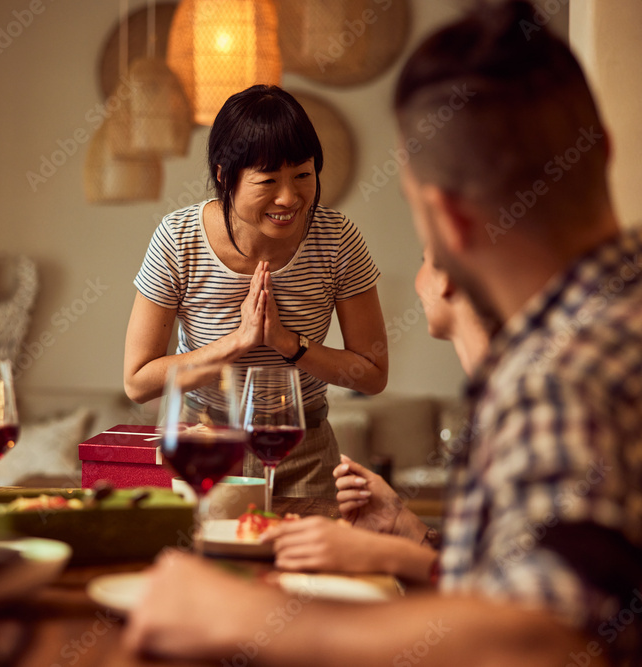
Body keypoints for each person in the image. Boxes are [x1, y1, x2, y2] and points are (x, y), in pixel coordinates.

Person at [124, 2, 642, 664]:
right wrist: (416, 539)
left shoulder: (555, 377)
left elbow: (543, 633)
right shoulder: (611, 322)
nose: (290, 199)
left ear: (448, 221)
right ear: (603, 148)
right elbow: (544, 582)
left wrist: (259, 620)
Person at [124, 84, 388, 497]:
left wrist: (288, 343)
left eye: (303, 175)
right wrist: (237, 343)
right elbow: (138, 382)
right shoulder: (179, 239)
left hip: (301, 450)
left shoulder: (337, 239)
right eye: (267, 180)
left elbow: (371, 375)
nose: (289, 197)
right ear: (224, 175)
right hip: (201, 446)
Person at [269, 249, 495, 581]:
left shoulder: (527, 402)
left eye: (423, 261)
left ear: (445, 281)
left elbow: (521, 605)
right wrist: (404, 525)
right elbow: (483, 565)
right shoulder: (495, 392)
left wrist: (385, 555)